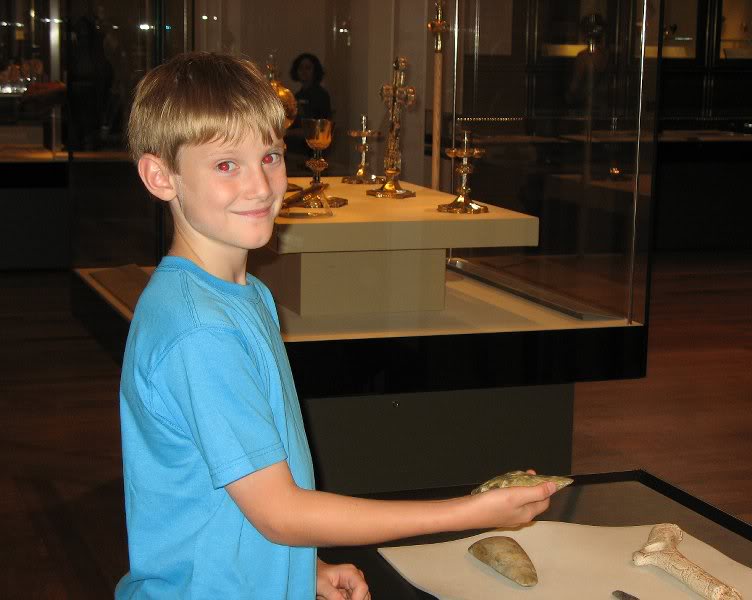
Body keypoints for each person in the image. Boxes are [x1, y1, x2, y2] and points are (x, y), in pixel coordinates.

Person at [117, 51, 557, 599]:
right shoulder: (201, 332)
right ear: (161, 176)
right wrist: (467, 512)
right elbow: (280, 513)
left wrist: (305, 568)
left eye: (271, 156)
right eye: (226, 165)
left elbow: (241, 490)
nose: (260, 187)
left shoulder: (242, 294)